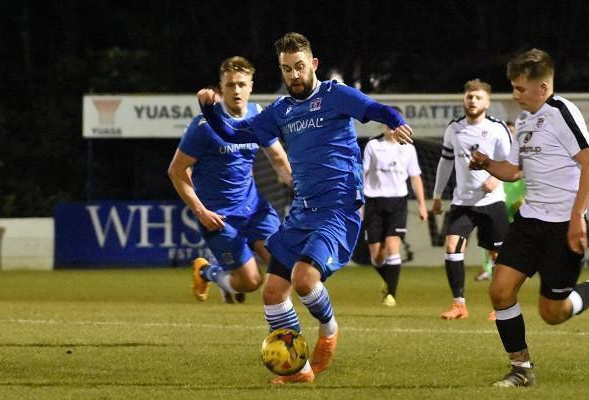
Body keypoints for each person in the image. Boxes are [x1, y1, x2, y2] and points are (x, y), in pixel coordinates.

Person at [196, 32, 413, 384]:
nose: (294, 75)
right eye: (286, 69)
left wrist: (394, 119)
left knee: (303, 279)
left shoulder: (334, 95)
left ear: (313, 64)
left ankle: (328, 330)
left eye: (299, 67)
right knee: (271, 292)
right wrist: (209, 109)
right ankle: (300, 369)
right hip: (303, 210)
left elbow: (372, 108)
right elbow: (235, 134)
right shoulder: (280, 111)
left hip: (337, 208)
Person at [468, 48, 589, 387]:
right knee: (500, 291)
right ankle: (521, 369)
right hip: (528, 222)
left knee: (552, 314)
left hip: (561, 227)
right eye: (513, 88)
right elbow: (513, 171)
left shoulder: (561, 112)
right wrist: (486, 164)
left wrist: (577, 218)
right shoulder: (524, 121)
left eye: (521, 89)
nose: (515, 95)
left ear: (543, 88)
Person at [168, 56, 291, 304]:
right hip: (219, 217)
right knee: (251, 282)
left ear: (251, 86)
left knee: (284, 264)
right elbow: (176, 171)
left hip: (255, 209)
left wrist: (301, 188)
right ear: (221, 87)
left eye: (242, 84)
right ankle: (207, 271)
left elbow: (278, 159)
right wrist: (201, 211)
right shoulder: (204, 126)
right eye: (231, 85)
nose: (237, 90)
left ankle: (283, 331)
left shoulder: (257, 116)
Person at [431, 79, 512, 320]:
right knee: (452, 248)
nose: (473, 101)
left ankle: (502, 306)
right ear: (463, 100)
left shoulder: (498, 128)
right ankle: (459, 305)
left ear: (487, 102)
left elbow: (511, 164)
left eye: (478, 97)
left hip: (492, 202)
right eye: (469, 97)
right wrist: (437, 195)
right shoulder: (453, 129)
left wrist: (496, 180)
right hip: (462, 203)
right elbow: (445, 163)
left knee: (499, 256)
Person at [362, 107, 428, 307]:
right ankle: (388, 280)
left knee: (392, 247)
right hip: (374, 201)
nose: (391, 128)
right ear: (383, 124)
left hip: (398, 201)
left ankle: (391, 293)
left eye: (395, 124)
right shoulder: (373, 146)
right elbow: (362, 175)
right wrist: (359, 204)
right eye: (388, 124)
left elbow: (415, 177)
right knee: (377, 255)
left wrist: (422, 205)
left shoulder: (408, 148)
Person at [476, 121, 526, 283]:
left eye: (513, 131)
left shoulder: (522, 153)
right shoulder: (497, 151)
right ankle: (487, 269)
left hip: (518, 202)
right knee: (492, 240)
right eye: (508, 131)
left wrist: (526, 198)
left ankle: (520, 270)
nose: (510, 134)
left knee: (518, 240)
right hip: (500, 201)